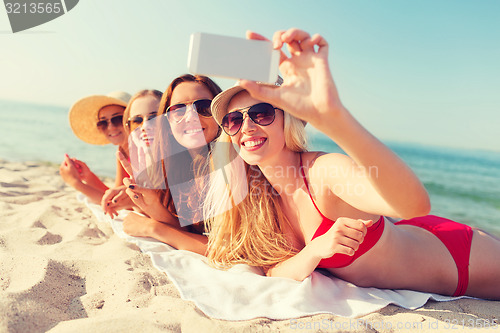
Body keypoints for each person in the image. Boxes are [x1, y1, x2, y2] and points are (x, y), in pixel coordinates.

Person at [205, 29, 500, 299]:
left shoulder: (323, 172)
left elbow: (413, 205)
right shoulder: (257, 196)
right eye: (234, 119)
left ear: (288, 119)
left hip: (461, 259)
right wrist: (313, 252)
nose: (247, 127)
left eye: (261, 112)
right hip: (409, 237)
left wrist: (332, 118)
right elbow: (272, 272)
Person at [118, 74, 222, 255]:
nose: (191, 117)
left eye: (203, 107)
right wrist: (152, 203)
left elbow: (229, 250)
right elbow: (187, 233)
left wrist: (152, 228)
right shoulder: (176, 165)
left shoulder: (233, 164)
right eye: (179, 110)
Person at [100, 89, 164, 218]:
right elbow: (117, 197)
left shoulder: (173, 158)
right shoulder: (124, 152)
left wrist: (79, 182)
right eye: (137, 120)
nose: (111, 127)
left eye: (153, 117)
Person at [60, 91, 131, 204]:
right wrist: (88, 176)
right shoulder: (122, 151)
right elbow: (115, 195)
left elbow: (119, 203)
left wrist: (75, 183)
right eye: (103, 123)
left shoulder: (142, 150)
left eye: (117, 119)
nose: (110, 127)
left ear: (131, 119)